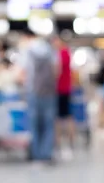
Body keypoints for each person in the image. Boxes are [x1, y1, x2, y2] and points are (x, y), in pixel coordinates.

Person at [20, 29, 58, 164]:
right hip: (49, 92)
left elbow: (22, 72)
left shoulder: (27, 50)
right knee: (48, 124)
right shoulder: (50, 49)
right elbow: (56, 71)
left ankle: (36, 155)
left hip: (33, 91)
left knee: (34, 125)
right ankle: (46, 154)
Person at [52, 35, 74, 157]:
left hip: (61, 89)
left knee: (60, 117)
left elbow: (57, 71)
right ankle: (67, 141)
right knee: (67, 116)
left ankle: (60, 142)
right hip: (65, 89)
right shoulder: (67, 53)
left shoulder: (62, 53)